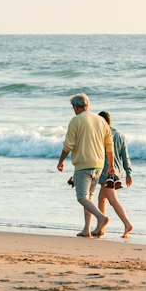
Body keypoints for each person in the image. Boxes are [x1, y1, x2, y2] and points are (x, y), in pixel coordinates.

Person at [57, 92, 114, 238]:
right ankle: (86, 229)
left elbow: (68, 145)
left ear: (76, 107)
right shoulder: (100, 120)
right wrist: (111, 165)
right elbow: (109, 144)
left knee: (82, 198)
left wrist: (61, 160)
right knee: (89, 197)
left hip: (83, 165)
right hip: (99, 165)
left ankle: (101, 218)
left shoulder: (76, 120)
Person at [95, 111, 133, 238]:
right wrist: (128, 173)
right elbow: (125, 156)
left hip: (107, 172)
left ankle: (127, 224)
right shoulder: (120, 135)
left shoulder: (103, 135)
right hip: (117, 172)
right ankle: (100, 228)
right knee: (102, 198)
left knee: (113, 200)